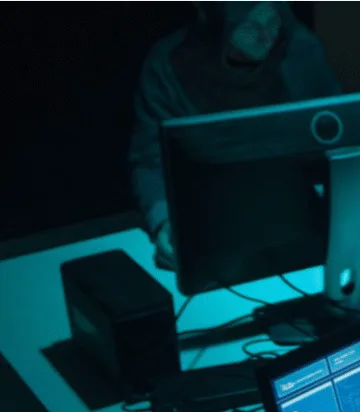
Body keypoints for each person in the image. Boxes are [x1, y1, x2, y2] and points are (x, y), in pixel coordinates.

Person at [128, 1, 342, 268]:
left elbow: (341, 138)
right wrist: (164, 222)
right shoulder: (167, 66)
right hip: (211, 239)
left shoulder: (302, 50)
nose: (265, 35)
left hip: (298, 232)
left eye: (272, 23)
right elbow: (150, 162)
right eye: (250, 26)